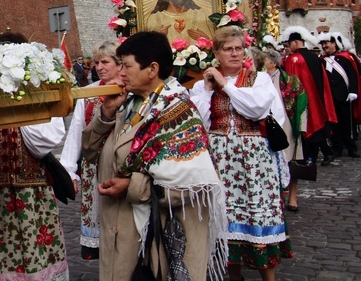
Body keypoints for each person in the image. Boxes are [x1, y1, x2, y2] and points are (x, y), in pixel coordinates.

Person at [83, 31, 227, 281]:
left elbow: (189, 184)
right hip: (118, 230)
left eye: (127, 66)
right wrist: (106, 113)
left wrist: (132, 185)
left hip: (153, 240)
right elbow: (88, 150)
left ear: (152, 69)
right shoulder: (127, 104)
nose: (122, 73)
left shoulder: (177, 112)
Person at [191, 26, 290, 281]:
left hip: (255, 160)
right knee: (226, 218)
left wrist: (226, 86)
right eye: (228, 49)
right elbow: (199, 121)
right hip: (221, 160)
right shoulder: (205, 87)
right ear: (217, 53)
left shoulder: (258, 79)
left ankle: (268, 277)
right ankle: (233, 276)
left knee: (258, 213)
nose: (234, 54)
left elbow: (255, 109)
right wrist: (210, 88)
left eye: (238, 48)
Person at [0, 31, 69, 279]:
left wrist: (21, 103)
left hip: (32, 194)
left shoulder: (39, 90)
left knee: (36, 252)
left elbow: (43, 143)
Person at [60, 40, 121, 260]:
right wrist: (68, 168)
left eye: (105, 62)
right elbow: (76, 130)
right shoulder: (87, 92)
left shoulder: (128, 89)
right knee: (98, 218)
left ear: (119, 63)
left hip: (119, 164)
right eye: (96, 62)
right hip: (92, 165)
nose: (99, 67)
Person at [281, 27, 337, 166]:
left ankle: (315, 154)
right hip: (317, 96)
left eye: (289, 44)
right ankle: (322, 152)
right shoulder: (314, 57)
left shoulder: (294, 59)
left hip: (303, 98)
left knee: (306, 127)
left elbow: (291, 81)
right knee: (317, 124)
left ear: (295, 43)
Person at [262, 49, 307, 212]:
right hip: (269, 124)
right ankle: (277, 196)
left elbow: (302, 99)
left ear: (273, 63)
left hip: (288, 123)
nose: (262, 62)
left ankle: (293, 196)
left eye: (265, 59)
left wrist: (302, 126)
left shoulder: (290, 80)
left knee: (292, 159)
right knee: (274, 161)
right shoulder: (259, 79)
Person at [318, 33, 360, 158]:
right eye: (323, 44)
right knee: (334, 124)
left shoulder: (345, 58)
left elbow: (353, 75)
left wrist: (353, 91)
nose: (324, 46)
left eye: (327, 43)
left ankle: (351, 147)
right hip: (330, 97)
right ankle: (337, 147)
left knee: (347, 123)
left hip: (344, 96)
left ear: (334, 44)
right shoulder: (322, 60)